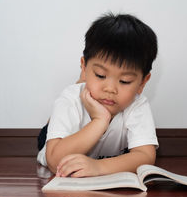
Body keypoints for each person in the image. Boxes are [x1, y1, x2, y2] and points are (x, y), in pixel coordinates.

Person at [37, 12, 158, 178]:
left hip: (100, 154)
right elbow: (53, 161)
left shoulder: (137, 104)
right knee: (53, 125)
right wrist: (99, 121)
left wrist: (98, 167)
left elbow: (145, 156)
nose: (110, 89)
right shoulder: (70, 100)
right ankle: (80, 84)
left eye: (124, 81)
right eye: (101, 75)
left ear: (142, 83)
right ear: (84, 66)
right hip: (61, 140)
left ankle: (88, 80)